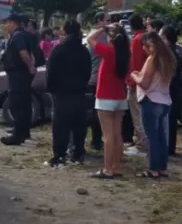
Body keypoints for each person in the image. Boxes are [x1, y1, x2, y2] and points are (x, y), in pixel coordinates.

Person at [86, 23, 130, 179]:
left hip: (105, 96)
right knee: (118, 134)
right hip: (120, 96)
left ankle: (107, 169)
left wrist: (102, 28)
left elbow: (90, 39)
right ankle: (116, 167)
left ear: (111, 38)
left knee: (108, 136)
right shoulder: (125, 53)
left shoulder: (109, 51)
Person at [45, 19, 91, 167]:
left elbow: (50, 72)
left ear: (64, 32)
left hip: (61, 93)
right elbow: (88, 72)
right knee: (79, 125)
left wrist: (51, 89)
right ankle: (78, 154)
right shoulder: (84, 51)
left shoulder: (59, 50)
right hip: (79, 93)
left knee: (60, 126)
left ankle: (59, 155)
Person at [130, 31, 175, 179]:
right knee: (161, 136)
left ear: (150, 45)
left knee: (152, 137)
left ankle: (153, 168)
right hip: (165, 100)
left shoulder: (152, 59)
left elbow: (144, 83)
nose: (143, 49)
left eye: (145, 46)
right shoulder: (168, 58)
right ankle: (162, 167)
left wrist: (134, 75)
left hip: (151, 99)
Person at [0, 12, 36, 146]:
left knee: (17, 104)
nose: (5, 26)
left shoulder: (18, 36)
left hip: (18, 74)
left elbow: (24, 53)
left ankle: (17, 135)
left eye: (7, 23)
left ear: (13, 23)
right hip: (21, 74)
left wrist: (30, 66)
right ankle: (24, 132)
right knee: (24, 103)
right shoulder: (23, 35)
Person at [126, 14, 148, 157]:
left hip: (137, 83)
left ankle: (142, 145)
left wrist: (132, 82)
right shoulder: (146, 37)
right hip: (147, 81)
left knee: (137, 115)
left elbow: (135, 63)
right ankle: (143, 143)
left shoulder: (136, 40)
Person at [162, 24, 182, 158]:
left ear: (165, 36)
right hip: (176, 88)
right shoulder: (175, 49)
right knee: (171, 119)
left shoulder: (168, 51)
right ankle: (170, 147)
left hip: (170, 88)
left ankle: (168, 148)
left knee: (168, 119)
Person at [86, 14, 107, 152]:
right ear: (99, 21)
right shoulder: (99, 36)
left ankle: (96, 140)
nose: (109, 23)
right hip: (97, 79)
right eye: (107, 20)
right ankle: (97, 140)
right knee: (97, 112)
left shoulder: (94, 35)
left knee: (96, 111)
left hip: (95, 78)